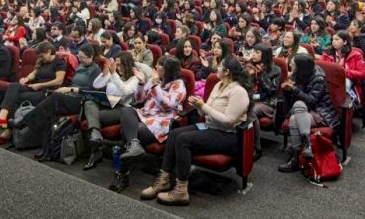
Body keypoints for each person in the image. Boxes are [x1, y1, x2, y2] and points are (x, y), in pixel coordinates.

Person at [140, 56, 250, 206]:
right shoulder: (219, 85)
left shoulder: (239, 92)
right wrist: (199, 106)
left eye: (219, 66)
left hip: (227, 135)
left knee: (184, 140)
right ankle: (164, 179)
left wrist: (203, 106)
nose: (216, 68)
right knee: (174, 134)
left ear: (227, 71)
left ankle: (181, 190)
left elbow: (228, 121)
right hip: (211, 127)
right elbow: (204, 114)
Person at [1, 44, 101, 150]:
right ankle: (32, 136)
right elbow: (73, 83)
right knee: (50, 102)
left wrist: (69, 89)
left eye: (82, 57)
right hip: (70, 95)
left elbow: (92, 90)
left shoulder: (95, 70)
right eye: (79, 57)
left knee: (54, 98)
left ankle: (23, 123)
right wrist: (66, 90)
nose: (79, 60)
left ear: (91, 57)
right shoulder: (81, 66)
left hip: (81, 100)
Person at [0, 41, 67, 144]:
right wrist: (26, 79)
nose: (40, 58)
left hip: (47, 92)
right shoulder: (42, 61)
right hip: (36, 88)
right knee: (14, 86)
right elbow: (34, 73)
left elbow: (59, 81)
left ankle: (6, 134)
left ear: (49, 52)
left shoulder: (60, 62)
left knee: (17, 98)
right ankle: (1, 116)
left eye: (42, 56)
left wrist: (40, 85)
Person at [278, 54, 339, 172]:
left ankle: (295, 159)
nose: (290, 65)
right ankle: (306, 146)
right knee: (297, 110)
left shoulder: (318, 78)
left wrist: (294, 90)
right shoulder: (298, 75)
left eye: (293, 64)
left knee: (295, 114)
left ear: (301, 67)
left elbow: (312, 101)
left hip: (320, 112)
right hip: (303, 111)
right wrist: (287, 90)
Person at [119, 56, 187, 160]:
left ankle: (124, 167)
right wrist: (141, 83)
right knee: (126, 110)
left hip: (161, 120)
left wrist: (155, 85)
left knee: (130, 130)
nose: (155, 66)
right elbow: (139, 100)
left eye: (159, 65)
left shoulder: (178, 84)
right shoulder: (154, 79)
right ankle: (134, 147)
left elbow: (166, 106)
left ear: (166, 69)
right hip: (146, 114)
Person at [83, 52, 140, 169]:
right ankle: (95, 135)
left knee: (93, 117)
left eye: (119, 65)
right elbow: (97, 85)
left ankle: (96, 149)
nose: (117, 68)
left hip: (122, 109)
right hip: (107, 104)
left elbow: (125, 91)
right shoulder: (113, 74)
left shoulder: (135, 78)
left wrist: (114, 74)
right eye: (116, 65)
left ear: (127, 64)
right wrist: (104, 74)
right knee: (88, 102)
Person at [247, 43, 281, 159]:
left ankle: (257, 148)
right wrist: (249, 76)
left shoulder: (275, 70)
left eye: (257, 53)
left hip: (268, 102)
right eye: (254, 52)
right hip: (252, 99)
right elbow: (244, 86)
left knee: (251, 111)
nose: (254, 55)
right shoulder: (250, 66)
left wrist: (261, 74)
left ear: (265, 55)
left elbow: (272, 90)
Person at [320, 31, 365, 107]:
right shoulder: (327, 53)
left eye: (337, 39)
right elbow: (320, 69)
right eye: (333, 39)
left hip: (348, 81)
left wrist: (343, 72)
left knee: (346, 83)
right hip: (329, 81)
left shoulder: (356, 55)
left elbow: (362, 74)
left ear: (345, 42)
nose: (333, 42)